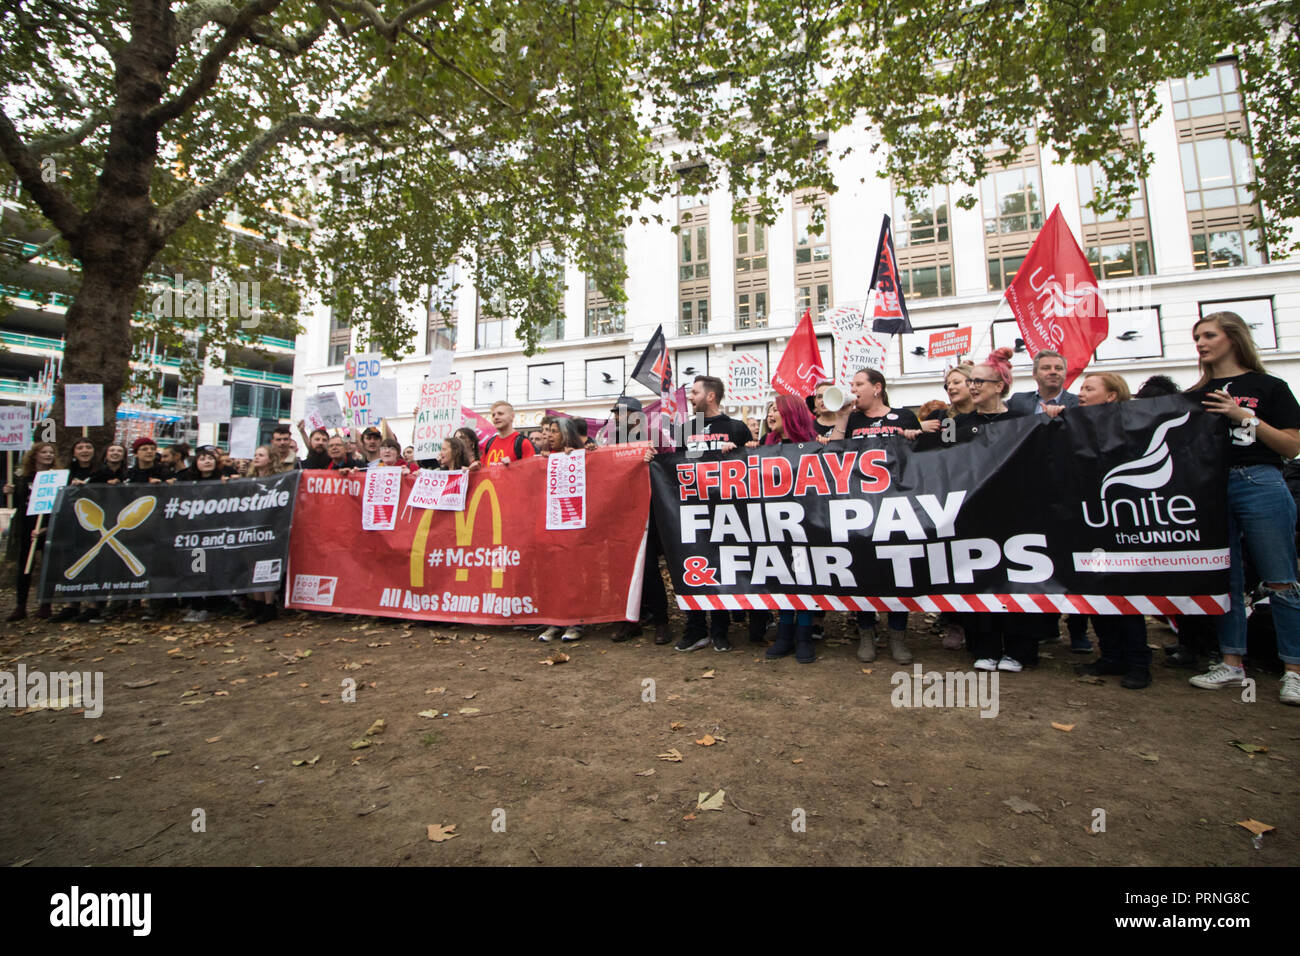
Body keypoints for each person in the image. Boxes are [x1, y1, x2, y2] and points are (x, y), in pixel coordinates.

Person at [1182, 312, 1300, 705]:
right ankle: (1231, 663)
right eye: (1197, 336)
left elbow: (1291, 446)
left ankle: (1294, 670)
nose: (1200, 342)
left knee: (1280, 578)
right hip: (1210, 489)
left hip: (1260, 481)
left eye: (1209, 335)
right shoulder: (1194, 392)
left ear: (1232, 338)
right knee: (1225, 578)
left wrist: (1243, 416)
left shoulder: (1270, 386)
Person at [1047, 372, 1151, 687]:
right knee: (1097, 588)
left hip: (1120, 519)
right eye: (1081, 388)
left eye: (1089, 389)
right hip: (1087, 519)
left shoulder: (1131, 426)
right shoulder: (1076, 423)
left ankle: (1138, 662)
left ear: (1111, 396)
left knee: (1124, 592)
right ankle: (1110, 656)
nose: (1080, 393)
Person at [947, 348, 1046, 673]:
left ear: (1000, 385)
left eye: (980, 381)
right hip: (974, 516)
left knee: (1017, 580)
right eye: (971, 381)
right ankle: (985, 646)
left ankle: (1019, 650)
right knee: (980, 579)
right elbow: (936, 459)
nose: (973, 387)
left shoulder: (1021, 420)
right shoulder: (957, 423)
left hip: (1016, 516)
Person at [826, 368, 920, 664]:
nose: (853, 389)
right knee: (863, 567)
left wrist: (913, 437)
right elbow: (834, 452)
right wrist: (841, 418)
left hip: (897, 504)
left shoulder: (904, 416)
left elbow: (924, 455)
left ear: (876, 388)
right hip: (860, 505)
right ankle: (866, 631)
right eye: (851, 384)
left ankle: (897, 634)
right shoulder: (851, 420)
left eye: (858, 384)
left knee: (898, 570)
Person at [672, 375, 754, 654]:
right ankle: (694, 629)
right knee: (692, 567)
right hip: (690, 510)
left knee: (721, 568)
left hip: (726, 512)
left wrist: (740, 452)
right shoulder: (684, 429)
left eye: (695, 392)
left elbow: (752, 467)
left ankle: (720, 631)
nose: (690, 397)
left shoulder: (736, 428)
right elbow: (675, 466)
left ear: (710, 396)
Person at [758, 396, 821, 663]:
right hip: (774, 525)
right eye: (770, 410)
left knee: (803, 578)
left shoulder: (813, 446)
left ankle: (804, 636)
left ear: (791, 415)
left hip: (805, 525)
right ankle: (784, 635)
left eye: (776, 410)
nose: (771, 414)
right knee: (782, 576)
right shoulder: (763, 446)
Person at [538, 417, 590, 644]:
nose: (549, 435)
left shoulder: (584, 455)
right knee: (553, 572)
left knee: (574, 572)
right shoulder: (541, 460)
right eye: (547, 431)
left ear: (566, 435)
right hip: (550, 525)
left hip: (575, 526)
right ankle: (555, 620)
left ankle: (575, 621)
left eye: (554, 431)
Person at [4, 442, 57, 621]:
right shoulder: (22, 477)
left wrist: (45, 528)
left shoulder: (57, 477)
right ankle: (21, 605)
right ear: (35, 455)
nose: (48, 455)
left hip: (48, 524)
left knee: (48, 566)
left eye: (51, 452)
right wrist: (8, 491)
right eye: (44, 452)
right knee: (25, 566)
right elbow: (16, 501)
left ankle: (45, 605)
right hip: (26, 525)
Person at [176, 447, 228, 623]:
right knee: (197, 569)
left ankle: (213, 605)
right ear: (196, 463)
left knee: (213, 570)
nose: (207, 461)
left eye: (210, 458)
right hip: (195, 534)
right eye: (202, 459)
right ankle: (197, 605)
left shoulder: (224, 481)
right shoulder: (186, 481)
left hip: (216, 533)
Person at [244, 445, 290, 624]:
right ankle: (257, 603)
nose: (256, 458)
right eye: (255, 455)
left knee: (267, 566)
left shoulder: (279, 480)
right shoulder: (248, 480)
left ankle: (269, 606)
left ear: (270, 459)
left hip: (271, 528)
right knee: (252, 566)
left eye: (261, 455)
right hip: (252, 528)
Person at [1006, 350, 1079, 416]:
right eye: (1046, 368)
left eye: (1058, 368)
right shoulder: (1018, 401)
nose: (1053, 372)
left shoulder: (1079, 403)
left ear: (1065, 374)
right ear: (1034, 374)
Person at [482, 401, 536, 466]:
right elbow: (482, 469)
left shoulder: (523, 443)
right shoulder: (489, 443)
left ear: (512, 416)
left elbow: (531, 472)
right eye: (493, 415)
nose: (496, 417)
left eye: (500, 414)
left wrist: (512, 466)